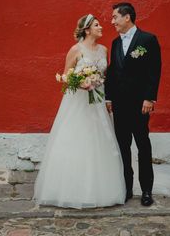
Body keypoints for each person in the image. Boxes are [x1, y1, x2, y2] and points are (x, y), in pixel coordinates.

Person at [33, 14, 126, 209]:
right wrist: (81, 82)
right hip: (79, 103)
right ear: (87, 30)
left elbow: (105, 76)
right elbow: (66, 76)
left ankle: (104, 190)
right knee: (77, 139)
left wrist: (98, 83)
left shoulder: (104, 50)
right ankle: (71, 189)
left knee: (100, 140)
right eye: (97, 25)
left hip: (98, 101)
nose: (101, 27)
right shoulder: (75, 50)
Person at [105, 2, 162, 206]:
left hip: (140, 104)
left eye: (115, 17)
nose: (112, 22)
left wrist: (149, 98)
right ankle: (127, 188)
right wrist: (109, 97)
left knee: (142, 146)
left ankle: (146, 190)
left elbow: (154, 71)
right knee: (123, 147)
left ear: (126, 17)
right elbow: (112, 72)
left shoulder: (147, 40)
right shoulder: (115, 43)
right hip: (119, 105)